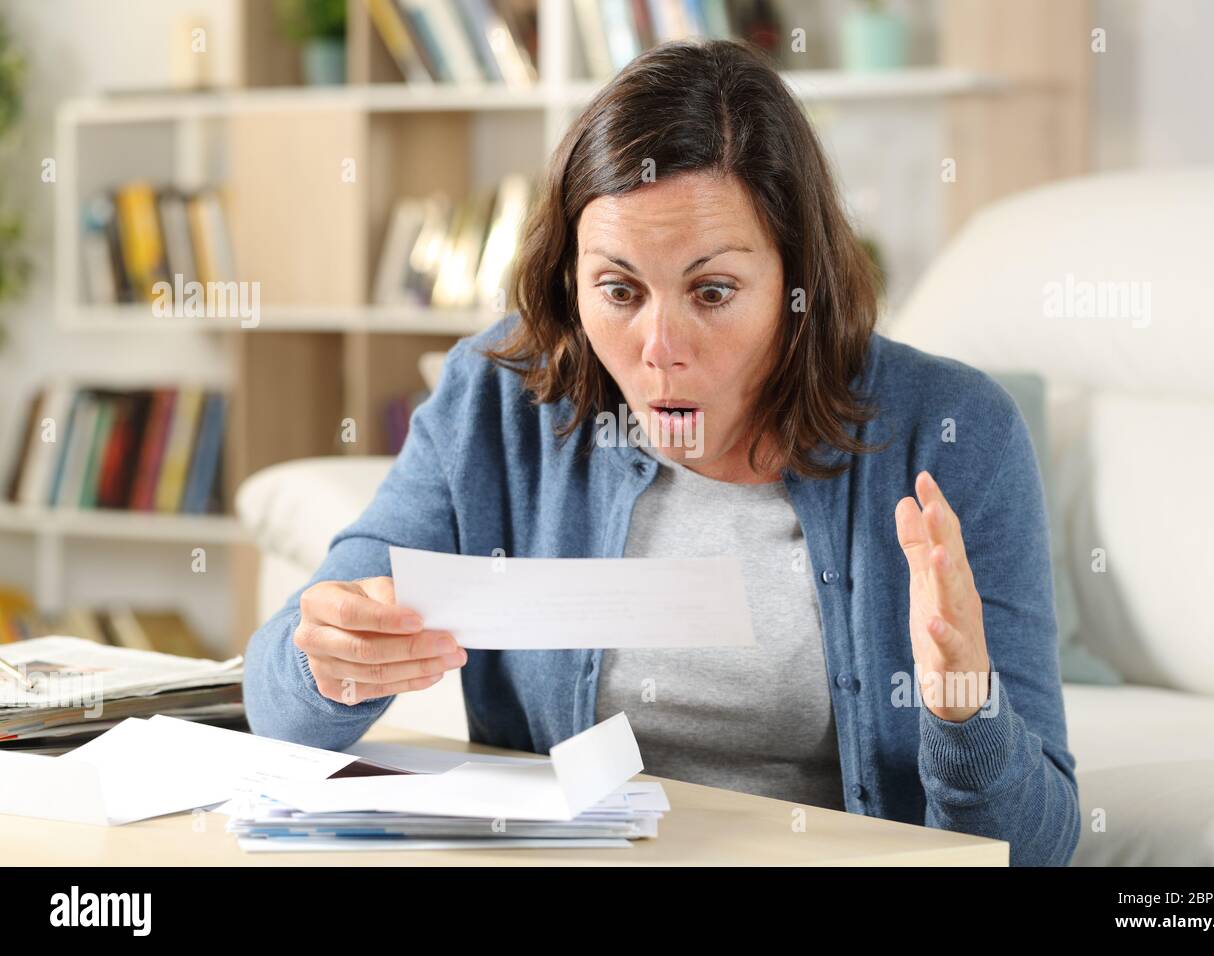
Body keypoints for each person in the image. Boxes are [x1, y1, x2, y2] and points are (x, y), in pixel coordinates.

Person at [243, 39, 1080, 866]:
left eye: (712, 292)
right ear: (570, 280)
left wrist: (965, 713)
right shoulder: (498, 400)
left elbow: (1040, 849)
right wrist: (331, 662)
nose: (659, 347)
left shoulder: (955, 429)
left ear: (800, 285)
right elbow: (278, 704)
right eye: (619, 290)